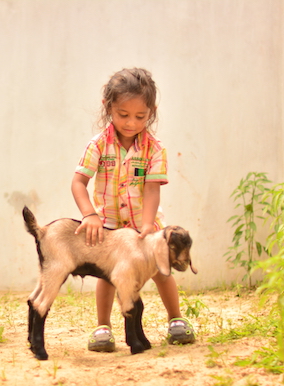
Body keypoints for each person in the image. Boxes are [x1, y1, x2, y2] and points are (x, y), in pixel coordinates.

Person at [71, 68, 195, 352]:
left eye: (140, 116)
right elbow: (78, 183)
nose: (131, 123)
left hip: (144, 226)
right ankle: (103, 327)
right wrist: (90, 215)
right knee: (108, 275)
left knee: (161, 271)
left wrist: (148, 224)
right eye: (123, 114)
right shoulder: (97, 145)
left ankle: (176, 319)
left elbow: (152, 188)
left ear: (152, 112)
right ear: (108, 107)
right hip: (109, 227)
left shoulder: (155, 149)